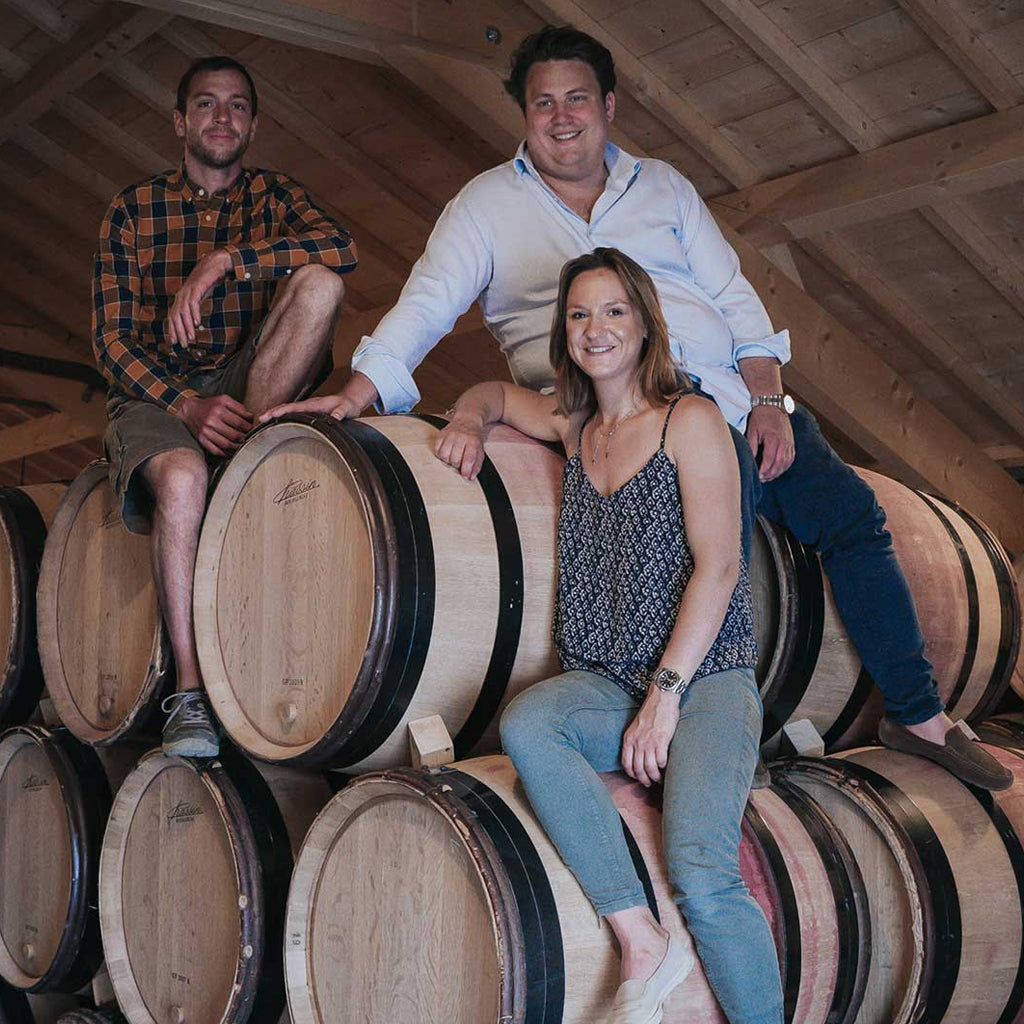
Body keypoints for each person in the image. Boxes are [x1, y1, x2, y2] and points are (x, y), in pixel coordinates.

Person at [264, 26, 1010, 790]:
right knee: (717, 562)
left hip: (729, 400)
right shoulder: (486, 206)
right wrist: (359, 393)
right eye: (543, 102)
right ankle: (692, 739)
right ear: (524, 114)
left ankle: (917, 714)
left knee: (853, 518)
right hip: (620, 419)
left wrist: (770, 402)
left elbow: (737, 304)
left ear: (609, 105)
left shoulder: (665, 187)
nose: (561, 116)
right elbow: (423, 309)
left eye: (577, 98)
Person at [436, 247, 783, 1024]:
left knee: (699, 868)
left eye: (614, 310)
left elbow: (721, 568)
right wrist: (465, 415)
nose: (597, 328)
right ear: (565, 331)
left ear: (644, 323)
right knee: (529, 724)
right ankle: (640, 939)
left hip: (706, 678)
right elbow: (492, 393)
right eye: (580, 313)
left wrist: (665, 699)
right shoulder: (575, 426)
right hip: (606, 677)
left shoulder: (690, 419)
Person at [92, 55, 357, 757]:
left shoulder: (274, 196)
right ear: (181, 121)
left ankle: (239, 471)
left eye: (237, 106)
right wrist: (185, 404)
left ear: (254, 123)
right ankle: (189, 692)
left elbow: (341, 247)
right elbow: (110, 341)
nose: (222, 117)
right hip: (157, 391)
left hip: (249, 381)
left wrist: (225, 263)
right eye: (206, 105)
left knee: (322, 286)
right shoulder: (133, 209)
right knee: (181, 479)